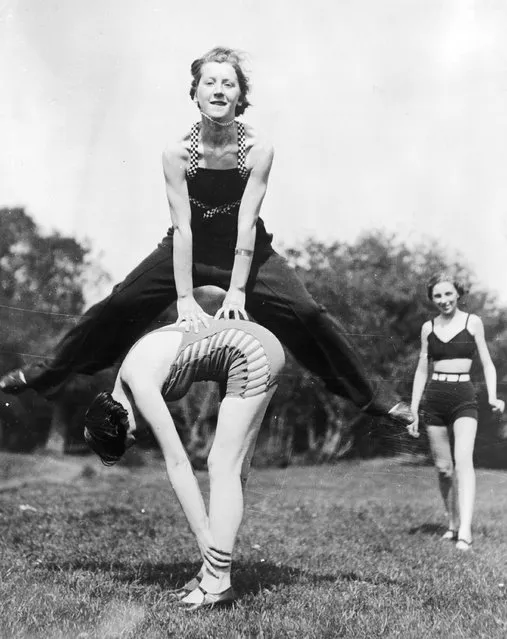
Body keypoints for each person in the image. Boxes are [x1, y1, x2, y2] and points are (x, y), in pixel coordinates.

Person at [0, 46, 413, 429]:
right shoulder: (177, 153)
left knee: (308, 314)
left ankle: (373, 396)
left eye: (228, 83)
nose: (218, 90)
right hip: (188, 245)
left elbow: (247, 224)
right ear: (195, 93)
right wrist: (184, 300)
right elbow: (182, 229)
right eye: (209, 82)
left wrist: (236, 293)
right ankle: (47, 371)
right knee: (122, 301)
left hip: (247, 249)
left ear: (240, 96)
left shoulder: (257, 149)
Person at [84, 316, 285, 610]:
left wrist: (202, 534)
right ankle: (212, 573)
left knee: (222, 464)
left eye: (132, 435)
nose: (139, 430)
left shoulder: (138, 381)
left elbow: (178, 463)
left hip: (251, 352)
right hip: (262, 346)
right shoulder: (130, 374)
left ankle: (217, 583)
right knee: (235, 467)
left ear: (117, 421)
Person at [408, 273, 504, 551]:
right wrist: (413, 408)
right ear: (432, 299)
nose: (444, 300)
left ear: (457, 294)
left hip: (464, 396)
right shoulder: (428, 327)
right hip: (435, 398)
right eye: (437, 296)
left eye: (448, 294)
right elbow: (422, 369)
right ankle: (452, 522)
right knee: (443, 468)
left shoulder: (472, 322)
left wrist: (493, 396)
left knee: (463, 460)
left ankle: (465, 531)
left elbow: (487, 363)